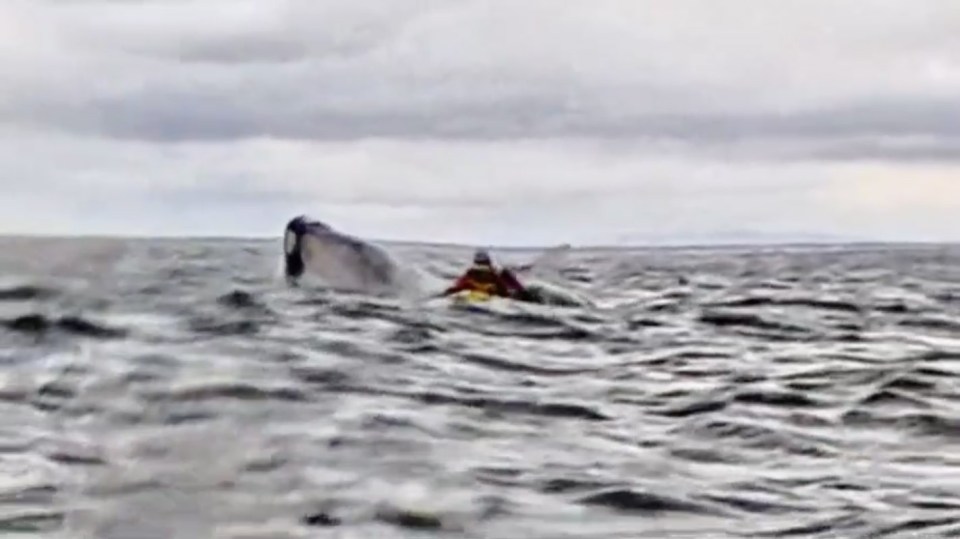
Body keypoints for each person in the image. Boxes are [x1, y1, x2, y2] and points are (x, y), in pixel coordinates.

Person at [440, 249, 530, 299]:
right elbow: (456, 288)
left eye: (483, 263)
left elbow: (507, 292)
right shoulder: (469, 276)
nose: (482, 268)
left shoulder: (497, 275)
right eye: (480, 264)